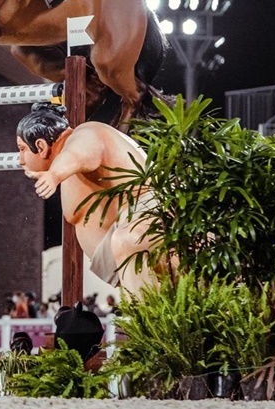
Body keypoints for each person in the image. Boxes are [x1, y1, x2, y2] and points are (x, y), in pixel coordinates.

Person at [15, 105, 164, 296]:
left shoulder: (86, 134)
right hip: (129, 246)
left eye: (22, 149)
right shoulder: (69, 162)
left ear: (41, 147)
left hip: (152, 217)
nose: (20, 160)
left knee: (126, 240)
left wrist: (54, 175)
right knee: (125, 242)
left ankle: (147, 314)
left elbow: (80, 154)